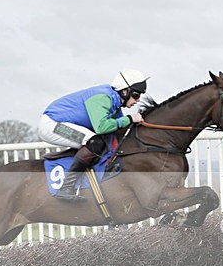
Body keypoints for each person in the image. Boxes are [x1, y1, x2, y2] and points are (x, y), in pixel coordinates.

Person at [38, 69, 149, 201]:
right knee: (94, 142)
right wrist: (130, 119)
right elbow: (101, 127)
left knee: (102, 140)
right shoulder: (103, 97)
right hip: (51, 124)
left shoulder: (115, 103)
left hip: (61, 123)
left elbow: (118, 128)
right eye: (136, 96)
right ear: (125, 91)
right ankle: (66, 188)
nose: (137, 100)